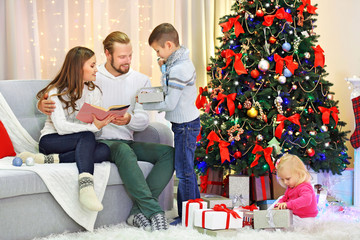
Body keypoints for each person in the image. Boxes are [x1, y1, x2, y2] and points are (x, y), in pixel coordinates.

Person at [38, 32, 174, 231]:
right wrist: (41, 104)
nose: (127, 61)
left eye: (130, 55)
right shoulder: (93, 77)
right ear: (108, 55)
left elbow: (144, 119)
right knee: (121, 150)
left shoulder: (142, 81)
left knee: (168, 153)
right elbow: (62, 90)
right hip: (103, 140)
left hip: (124, 139)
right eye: (122, 57)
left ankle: (137, 212)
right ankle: (154, 211)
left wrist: (129, 119)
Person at [19, 46, 114, 212]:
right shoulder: (55, 91)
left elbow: (96, 132)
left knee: (104, 150)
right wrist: (92, 127)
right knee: (87, 136)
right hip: (52, 140)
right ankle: (86, 186)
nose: (96, 69)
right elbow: (61, 128)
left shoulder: (94, 92)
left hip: (79, 141)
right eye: (92, 65)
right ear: (78, 68)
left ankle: (51, 160)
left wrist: (99, 125)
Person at [141, 23, 200, 226]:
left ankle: (188, 217)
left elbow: (169, 101)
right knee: (186, 169)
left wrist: (144, 102)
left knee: (183, 172)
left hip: (186, 125)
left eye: (158, 50)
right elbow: (168, 87)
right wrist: (163, 66)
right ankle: (194, 210)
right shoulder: (176, 63)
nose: (157, 54)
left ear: (168, 45)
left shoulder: (180, 69)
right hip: (184, 123)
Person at [274, 153, 318, 225]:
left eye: (288, 179)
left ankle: (271, 222)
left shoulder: (304, 187)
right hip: (296, 217)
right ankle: (268, 217)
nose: (285, 182)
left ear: (299, 174)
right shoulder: (291, 187)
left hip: (305, 220)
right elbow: (285, 198)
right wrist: (280, 204)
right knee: (280, 199)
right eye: (282, 179)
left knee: (282, 222)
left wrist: (287, 205)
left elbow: (306, 200)